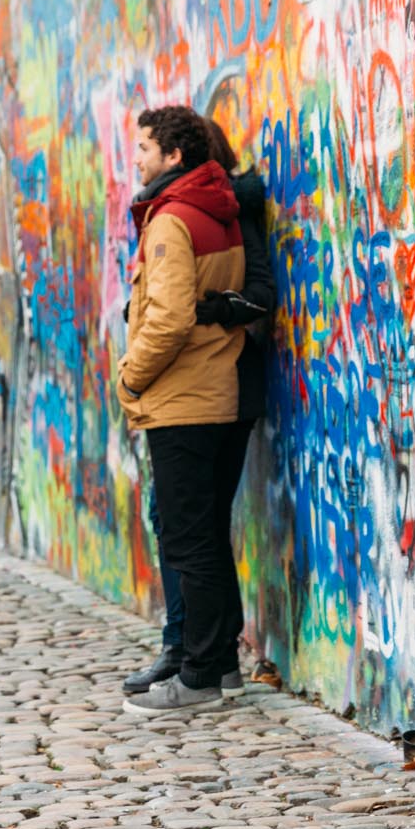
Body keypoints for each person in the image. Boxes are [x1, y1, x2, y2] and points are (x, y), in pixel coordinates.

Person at [124, 123, 274, 697]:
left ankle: (200, 666)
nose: (135, 159)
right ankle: (200, 653)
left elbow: (176, 315)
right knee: (194, 530)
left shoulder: (188, 215)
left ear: (175, 154)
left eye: (143, 147)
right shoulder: (186, 211)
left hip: (199, 391)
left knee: (192, 533)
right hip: (204, 387)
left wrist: (130, 377)